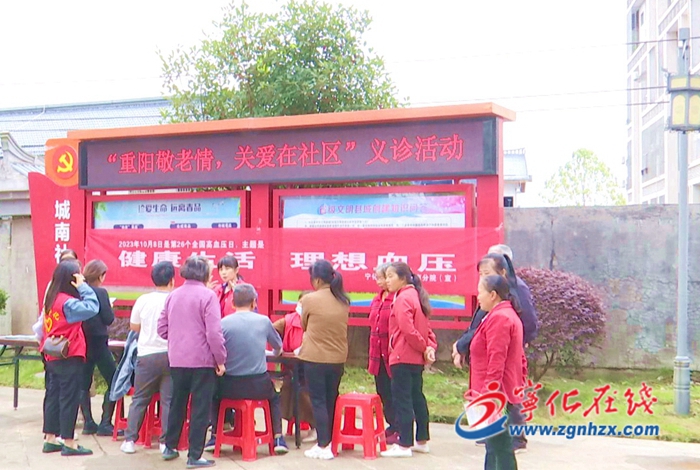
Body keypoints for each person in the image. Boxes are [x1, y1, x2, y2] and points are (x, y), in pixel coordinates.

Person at [452, 250, 537, 452]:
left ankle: (514, 439)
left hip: (501, 373)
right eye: (481, 274)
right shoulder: (495, 308)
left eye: (487, 273)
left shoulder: (503, 313)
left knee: (508, 404)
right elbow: (476, 328)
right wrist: (462, 345)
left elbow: (497, 357)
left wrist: (489, 393)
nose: (482, 278)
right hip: (494, 371)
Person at [158, 255, 227, 469]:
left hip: (177, 359)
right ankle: (194, 455)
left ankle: (170, 446)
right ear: (205, 274)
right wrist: (220, 359)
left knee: (177, 403)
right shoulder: (208, 296)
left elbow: (162, 328)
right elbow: (214, 333)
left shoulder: (173, 295)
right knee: (200, 407)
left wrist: (179, 338)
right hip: (202, 360)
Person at [206, 283, 289, 454]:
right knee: (274, 398)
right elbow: (278, 347)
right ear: (254, 303)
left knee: (214, 396)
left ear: (232, 304)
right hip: (258, 386)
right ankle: (278, 438)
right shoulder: (263, 321)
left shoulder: (223, 323)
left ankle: (215, 435)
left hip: (229, 386)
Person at [40, 261, 99, 456]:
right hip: (69, 355)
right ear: (72, 279)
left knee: (53, 396)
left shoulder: (51, 299)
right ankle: (69, 442)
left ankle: (50, 438)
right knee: (69, 398)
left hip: (52, 354)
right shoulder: (68, 303)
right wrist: (83, 287)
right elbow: (92, 307)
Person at [469, 275, 527, 470]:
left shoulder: (500, 318)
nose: (478, 296)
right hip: (504, 390)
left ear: (493, 295)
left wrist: (490, 393)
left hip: (497, 393)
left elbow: (497, 358)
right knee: (496, 447)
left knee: (499, 447)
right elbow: (520, 358)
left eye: (480, 292)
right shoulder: (504, 314)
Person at [380, 262, 437, 458]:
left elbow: (408, 329)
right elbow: (426, 328)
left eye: (391, 276)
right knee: (416, 397)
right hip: (415, 358)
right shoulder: (416, 296)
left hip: (402, 355)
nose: (387, 280)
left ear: (403, 278)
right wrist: (428, 347)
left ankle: (404, 444)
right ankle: (421, 440)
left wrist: (424, 347)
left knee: (402, 400)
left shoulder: (403, 297)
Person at [120, 261, 176, 454]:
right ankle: (165, 443)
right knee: (168, 400)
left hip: (146, 356)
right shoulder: (175, 299)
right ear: (172, 280)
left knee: (140, 398)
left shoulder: (143, 300)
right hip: (171, 356)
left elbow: (134, 326)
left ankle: (130, 440)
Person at [299, 259, 350, 460]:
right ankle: (329, 442)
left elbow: (304, 324)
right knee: (331, 399)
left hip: (315, 357)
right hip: (338, 358)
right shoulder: (343, 300)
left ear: (317, 280)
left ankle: (323, 445)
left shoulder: (309, 299)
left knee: (318, 400)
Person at [79, 260, 118, 436]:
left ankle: (88, 422)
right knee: (114, 380)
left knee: (83, 383)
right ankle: (105, 422)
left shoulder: (79, 292)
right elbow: (108, 319)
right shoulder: (101, 293)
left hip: (82, 342)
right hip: (99, 342)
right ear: (100, 276)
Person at [272, 291, 316, 443]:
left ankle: (315, 427)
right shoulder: (289, 319)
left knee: (306, 391)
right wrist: (277, 346)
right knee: (288, 388)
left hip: (312, 364)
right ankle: (287, 424)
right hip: (291, 365)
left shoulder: (316, 321)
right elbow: (271, 329)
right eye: (301, 302)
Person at [367, 263, 398, 444]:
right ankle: (391, 425)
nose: (379, 281)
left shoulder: (397, 298)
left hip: (392, 354)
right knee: (383, 391)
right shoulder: (377, 299)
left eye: (382, 278)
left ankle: (400, 428)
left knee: (396, 392)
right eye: (377, 278)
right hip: (377, 355)